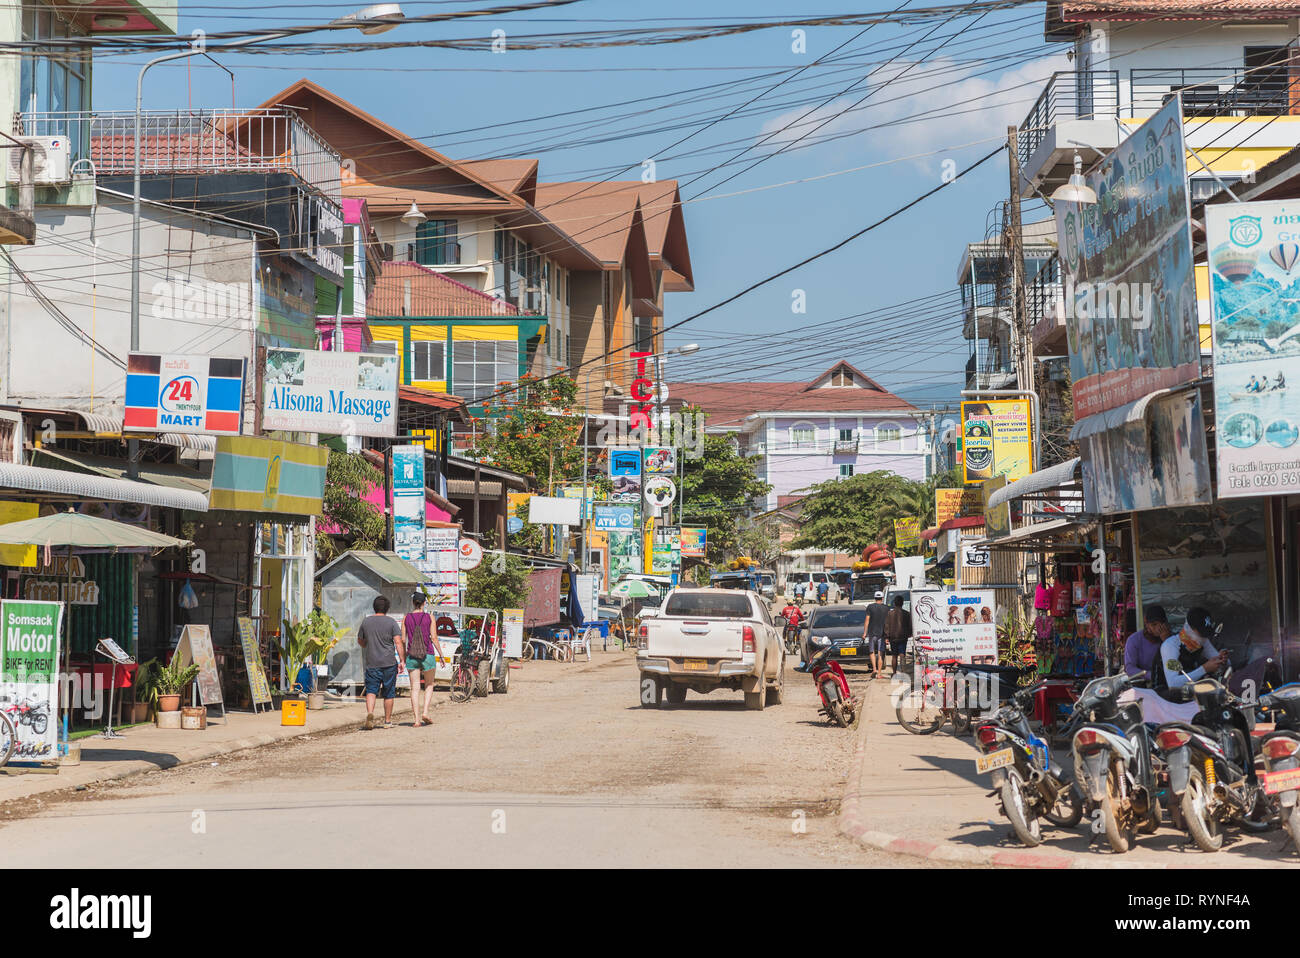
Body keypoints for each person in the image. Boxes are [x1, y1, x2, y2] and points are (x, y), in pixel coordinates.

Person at [1156, 606, 1224, 700]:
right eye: (1200, 634)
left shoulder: (1202, 641)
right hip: (1164, 697)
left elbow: (1220, 661)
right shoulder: (1170, 646)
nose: (1202, 639)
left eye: (1205, 635)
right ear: (1189, 629)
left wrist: (1222, 659)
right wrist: (1204, 669)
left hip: (1189, 693)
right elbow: (1173, 684)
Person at [358, 594, 404, 729]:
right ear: (387, 608)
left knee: (371, 690)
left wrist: (367, 645)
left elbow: (360, 640)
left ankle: (370, 713)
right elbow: (398, 642)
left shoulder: (366, 622)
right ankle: (387, 721)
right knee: (389, 693)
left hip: (372, 662)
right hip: (389, 663)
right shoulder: (391, 622)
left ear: (374, 607)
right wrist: (402, 660)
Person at [403, 592, 443, 728]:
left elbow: (403, 640)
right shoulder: (429, 617)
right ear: (424, 603)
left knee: (414, 688)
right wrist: (441, 655)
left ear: (413, 603)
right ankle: (425, 712)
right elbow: (434, 638)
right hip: (428, 655)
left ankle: (416, 720)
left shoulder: (406, 618)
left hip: (411, 656)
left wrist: (403, 659)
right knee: (429, 685)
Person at [1123, 604, 1171, 679]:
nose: (1157, 628)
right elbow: (1130, 669)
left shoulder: (1170, 639)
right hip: (1143, 683)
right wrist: (1151, 675)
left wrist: (1167, 642)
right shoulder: (1134, 640)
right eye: (1153, 625)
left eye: (1159, 624)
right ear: (1147, 625)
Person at [884, 594, 911, 677]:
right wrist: (910, 633)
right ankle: (903, 672)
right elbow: (909, 625)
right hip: (903, 637)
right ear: (902, 603)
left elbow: (887, 625)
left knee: (894, 656)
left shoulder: (889, 613)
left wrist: (886, 637)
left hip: (893, 637)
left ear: (894, 603)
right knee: (902, 654)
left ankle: (894, 672)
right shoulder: (906, 613)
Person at [863, 590, 888, 677]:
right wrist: (887, 636)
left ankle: (874, 669)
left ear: (875, 598)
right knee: (881, 653)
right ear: (882, 598)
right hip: (882, 634)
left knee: (872, 651)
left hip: (872, 633)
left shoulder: (870, 607)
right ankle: (879, 673)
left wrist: (864, 633)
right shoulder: (886, 608)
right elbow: (887, 623)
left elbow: (867, 620)